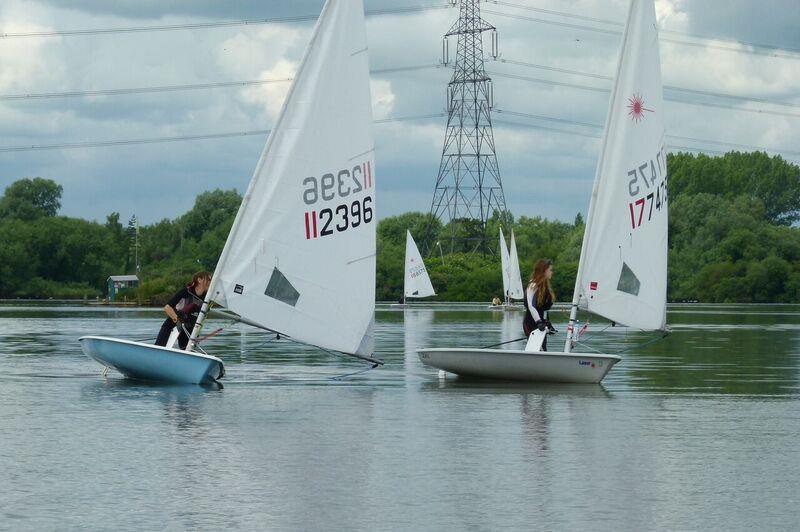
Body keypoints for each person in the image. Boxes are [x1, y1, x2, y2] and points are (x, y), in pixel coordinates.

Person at [155, 271, 212, 350]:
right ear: (199, 280)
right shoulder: (186, 292)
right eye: (208, 279)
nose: (210, 282)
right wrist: (177, 321)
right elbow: (167, 308)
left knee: (187, 351)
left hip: (189, 328)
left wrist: (196, 332)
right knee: (159, 347)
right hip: (172, 325)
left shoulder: (207, 298)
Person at [522, 259, 556, 351]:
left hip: (540, 325)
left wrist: (548, 324)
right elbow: (531, 305)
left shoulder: (545, 287)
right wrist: (539, 322)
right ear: (544, 270)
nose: (552, 272)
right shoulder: (533, 285)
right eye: (550, 270)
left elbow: (543, 309)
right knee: (538, 350)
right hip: (531, 323)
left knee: (543, 349)